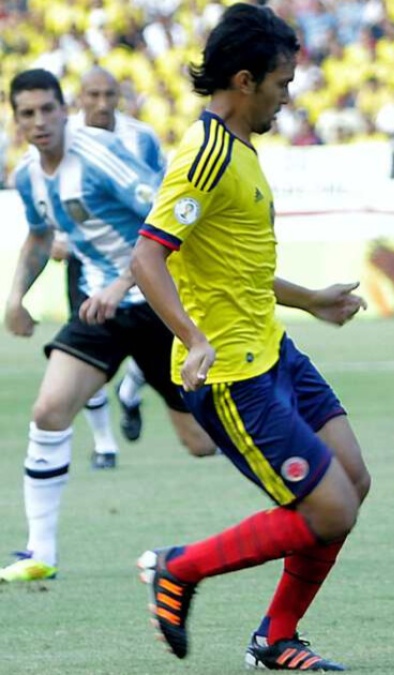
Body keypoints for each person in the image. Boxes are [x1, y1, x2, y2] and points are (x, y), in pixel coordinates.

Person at [131, 4, 370, 670]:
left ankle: (276, 638)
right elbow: (146, 258)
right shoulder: (205, 154)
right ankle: (179, 568)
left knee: (353, 481)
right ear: (244, 81)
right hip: (233, 377)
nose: (287, 97)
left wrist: (312, 299)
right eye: (281, 83)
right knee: (331, 510)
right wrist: (192, 338)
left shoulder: (240, 148)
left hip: (273, 353)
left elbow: (238, 268)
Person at [1, 68, 217, 584]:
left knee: (202, 442)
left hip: (158, 302)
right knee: (49, 411)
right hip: (99, 308)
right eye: (27, 113)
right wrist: (15, 297)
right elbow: (39, 235)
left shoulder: (100, 157)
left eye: (47, 110)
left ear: (64, 110)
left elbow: (166, 217)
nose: (39, 121)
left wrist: (123, 283)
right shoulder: (28, 174)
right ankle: (41, 551)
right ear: (17, 121)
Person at [52, 66, 168, 468]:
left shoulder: (141, 138)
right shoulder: (63, 139)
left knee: (163, 342)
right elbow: (52, 193)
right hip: (87, 263)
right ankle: (104, 443)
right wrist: (59, 237)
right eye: (93, 95)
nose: (102, 104)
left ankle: (131, 391)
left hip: (145, 261)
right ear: (79, 98)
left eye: (109, 95)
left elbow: (163, 196)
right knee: (87, 350)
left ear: (119, 97)